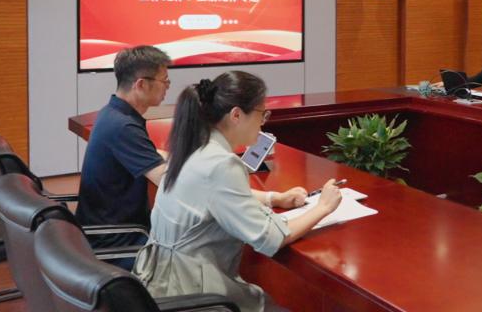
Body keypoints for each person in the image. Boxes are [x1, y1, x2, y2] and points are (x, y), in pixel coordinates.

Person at [134, 71, 342, 312]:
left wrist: (274, 198)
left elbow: (215, 196)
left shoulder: (194, 146)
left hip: (156, 281)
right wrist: (323, 207)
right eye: (262, 114)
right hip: (192, 293)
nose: (263, 122)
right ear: (236, 115)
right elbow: (271, 238)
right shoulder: (221, 164)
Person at [76, 45, 172, 260]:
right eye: (164, 80)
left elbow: (151, 153)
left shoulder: (113, 113)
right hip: (118, 243)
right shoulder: (123, 127)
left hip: (113, 230)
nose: (167, 86)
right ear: (141, 85)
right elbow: (168, 182)